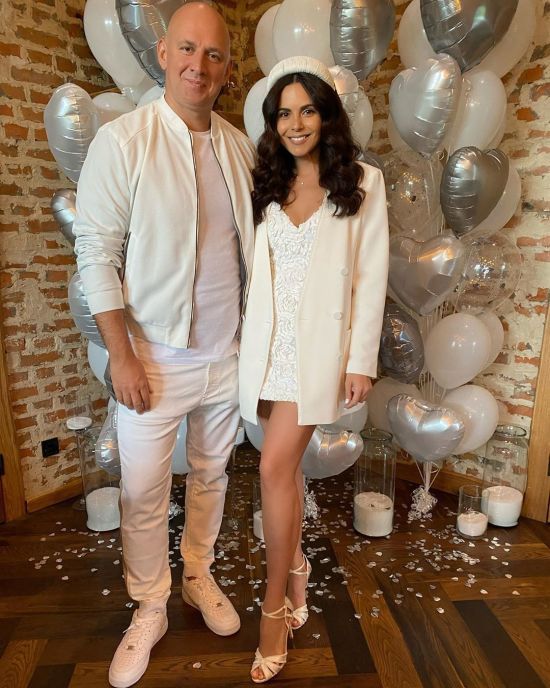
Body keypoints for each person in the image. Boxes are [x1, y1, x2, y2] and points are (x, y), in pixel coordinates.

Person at [73, 3, 255, 687]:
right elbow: (96, 254)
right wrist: (121, 355)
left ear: (227, 68)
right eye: (186, 48)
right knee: (144, 491)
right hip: (152, 358)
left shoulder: (239, 147)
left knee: (212, 475)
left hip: (226, 355)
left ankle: (198, 574)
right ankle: (149, 603)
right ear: (162, 52)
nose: (197, 65)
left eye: (213, 54)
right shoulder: (123, 141)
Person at [238, 56, 389, 683]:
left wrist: (361, 361)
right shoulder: (265, 182)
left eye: (306, 110)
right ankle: (297, 566)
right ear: (273, 123)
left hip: (319, 352)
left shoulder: (362, 182)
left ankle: (274, 608)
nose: (295, 124)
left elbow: (371, 277)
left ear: (327, 115)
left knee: (273, 468)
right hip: (266, 350)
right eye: (283, 114)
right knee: (286, 471)